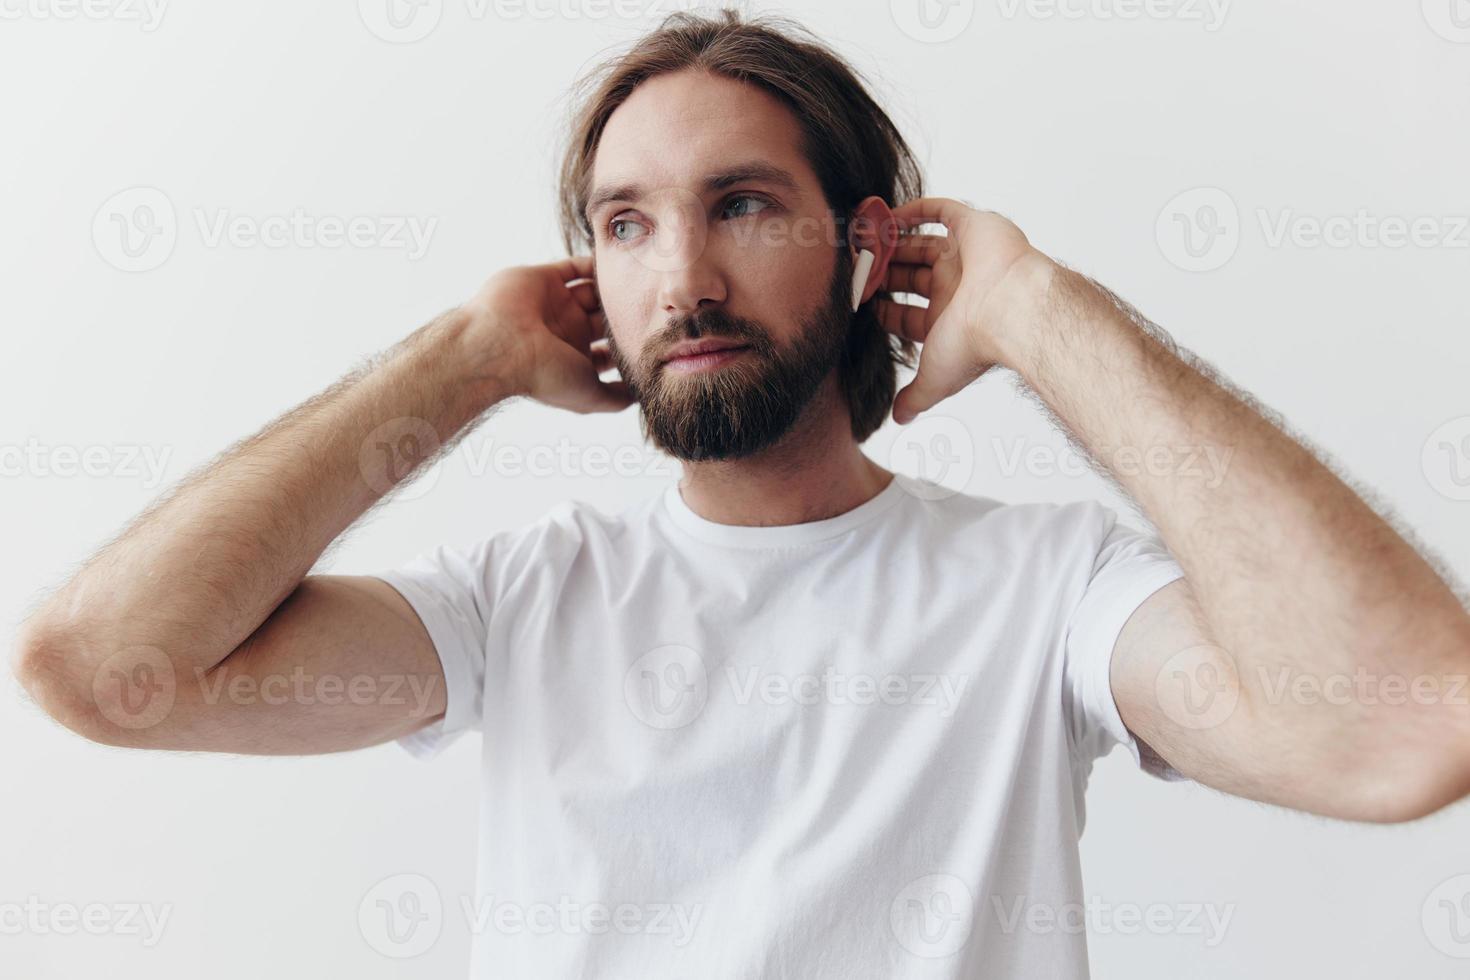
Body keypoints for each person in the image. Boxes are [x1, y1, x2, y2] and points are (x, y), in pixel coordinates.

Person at [13, 9, 1470, 978]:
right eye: (625, 224)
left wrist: (1034, 310)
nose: (683, 276)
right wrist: (453, 363)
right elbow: (103, 673)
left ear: (866, 241)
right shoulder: (519, 607)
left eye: (745, 204)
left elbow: (1404, 738)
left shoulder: (1047, 592)